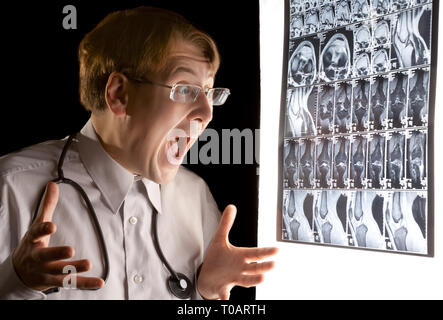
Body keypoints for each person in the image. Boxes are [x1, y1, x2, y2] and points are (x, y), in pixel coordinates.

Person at [0, 6, 277, 300]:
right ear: (119, 94)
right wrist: (16, 284)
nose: (206, 113)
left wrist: (203, 292)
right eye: (185, 90)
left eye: (209, 93)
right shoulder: (10, 188)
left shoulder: (196, 196)